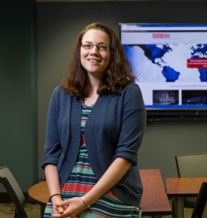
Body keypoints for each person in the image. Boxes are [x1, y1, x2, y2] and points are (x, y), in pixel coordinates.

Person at [41, 22, 146, 218]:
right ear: (79, 50)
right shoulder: (60, 95)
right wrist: (55, 197)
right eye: (87, 45)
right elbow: (51, 155)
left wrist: (85, 201)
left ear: (112, 54)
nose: (94, 52)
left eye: (102, 47)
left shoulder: (129, 93)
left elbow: (125, 156)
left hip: (111, 191)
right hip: (65, 190)